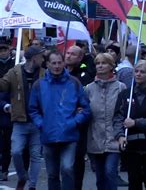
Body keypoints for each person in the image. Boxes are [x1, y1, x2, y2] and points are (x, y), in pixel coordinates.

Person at [28, 51, 91, 190]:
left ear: (63, 63)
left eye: (59, 62)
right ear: (48, 64)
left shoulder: (74, 83)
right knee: (52, 174)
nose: (57, 66)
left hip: (69, 135)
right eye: (53, 63)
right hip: (48, 135)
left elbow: (86, 108)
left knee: (68, 168)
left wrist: (74, 122)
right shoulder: (39, 85)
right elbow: (33, 109)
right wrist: (41, 123)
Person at [113, 60, 146, 190]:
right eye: (136, 71)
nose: (138, 74)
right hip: (132, 147)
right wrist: (120, 136)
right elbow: (118, 117)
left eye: (142, 72)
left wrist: (136, 122)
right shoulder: (125, 94)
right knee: (134, 182)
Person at [0, 46, 45, 190]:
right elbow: (3, 86)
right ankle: (22, 176)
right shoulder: (14, 72)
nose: (43, 59)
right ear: (34, 58)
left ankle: (32, 185)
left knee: (35, 155)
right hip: (20, 121)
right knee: (16, 151)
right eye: (41, 57)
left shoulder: (45, 74)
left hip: (38, 121)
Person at [85, 53, 127, 190]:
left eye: (104, 63)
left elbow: (124, 111)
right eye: (98, 63)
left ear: (111, 66)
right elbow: (85, 110)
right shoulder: (89, 88)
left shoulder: (120, 87)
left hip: (114, 137)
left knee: (110, 171)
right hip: (94, 137)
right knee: (100, 176)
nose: (100, 66)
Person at [65, 45, 94, 190]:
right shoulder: (59, 73)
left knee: (77, 159)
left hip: (78, 123)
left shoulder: (84, 75)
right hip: (60, 122)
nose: (68, 56)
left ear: (80, 58)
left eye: (73, 54)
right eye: (68, 53)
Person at [0, 41, 14, 181]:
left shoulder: (15, 65)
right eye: (0, 50)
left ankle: (4, 168)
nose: (3, 52)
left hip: (10, 105)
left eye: (5, 50)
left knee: (7, 142)